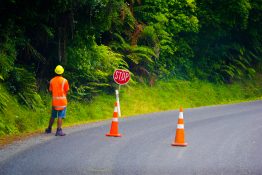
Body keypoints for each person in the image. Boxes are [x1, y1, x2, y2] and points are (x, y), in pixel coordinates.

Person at [45, 65, 69, 136]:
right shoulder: (65, 81)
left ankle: (49, 129)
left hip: (55, 102)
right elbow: (66, 91)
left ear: (55, 72)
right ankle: (59, 130)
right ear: (62, 72)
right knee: (60, 116)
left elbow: (50, 90)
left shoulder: (52, 80)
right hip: (62, 102)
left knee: (53, 115)